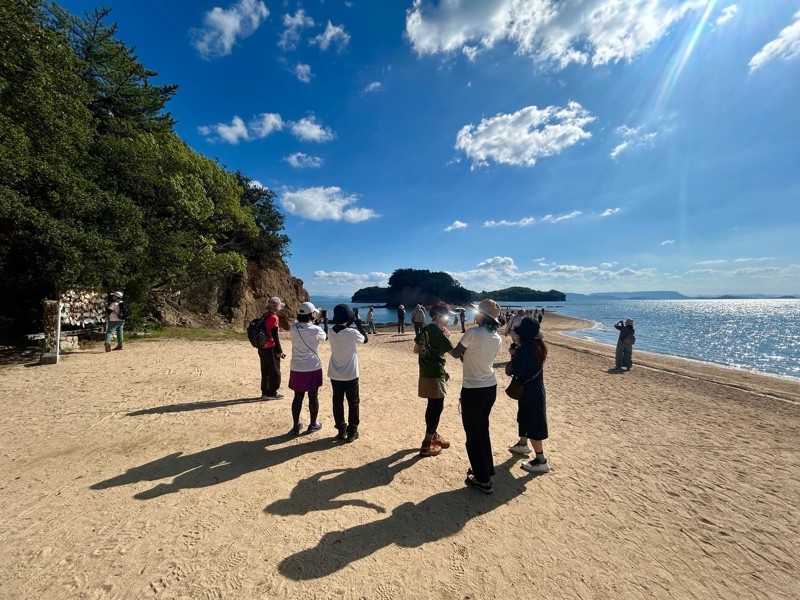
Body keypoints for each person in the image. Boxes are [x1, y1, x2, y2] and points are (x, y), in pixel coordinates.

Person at [451, 299, 503, 494]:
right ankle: (486, 469)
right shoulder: (497, 337)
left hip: (473, 389)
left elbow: (456, 353)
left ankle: (483, 480)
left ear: (482, 315)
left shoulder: (472, 332)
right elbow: (479, 357)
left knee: (473, 434)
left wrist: (444, 342)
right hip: (490, 387)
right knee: (483, 430)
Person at [506, 318, 550, 474]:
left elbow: (514, 371)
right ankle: (523, 444)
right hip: (535, 389)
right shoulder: (538, 347)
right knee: (524, 417)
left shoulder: (525, 350)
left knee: (533, 425)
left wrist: (513, 356)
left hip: (530, 391)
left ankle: (541, 460)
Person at [413, 302, 456, 457]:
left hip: (425, 371)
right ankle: (426, 444)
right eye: (447, 316)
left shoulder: (425, 329)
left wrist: (431, 352)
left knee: (432, 405)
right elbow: (455, 353)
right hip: (435, 374)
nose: (448, 319)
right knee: (437, 407)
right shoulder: (437, 332)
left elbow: (416, 349)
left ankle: (433, 435)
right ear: (438, 316)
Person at [328, 304, 368, 442]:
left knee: (337, 402)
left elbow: (340, 328)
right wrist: (358, 323)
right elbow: (365, 339)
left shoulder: (330, 332)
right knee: (353, 402)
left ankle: (341, 430)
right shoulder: (352, 333)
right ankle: (352, 431)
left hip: (334, 373)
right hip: (350, 373)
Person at [288, 302, 327, 435]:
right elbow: (324, 337)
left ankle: (295, 425)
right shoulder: (316, 329)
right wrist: (321, 322)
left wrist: (313, 320)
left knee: (298, 397)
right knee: (313, 396)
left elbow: (301, 324)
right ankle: (313, 424)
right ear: (312, 314)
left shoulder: (293, 327)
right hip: (312, 366)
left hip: (297, 367)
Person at [258, 297, 286, 400]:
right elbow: (275, 335)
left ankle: (265, 392)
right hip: (270, 346)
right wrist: (279, 350)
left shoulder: (265, 315)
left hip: (262, 346)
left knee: (265, 369)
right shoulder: (274, 318)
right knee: (275, 370)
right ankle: (272, 392)